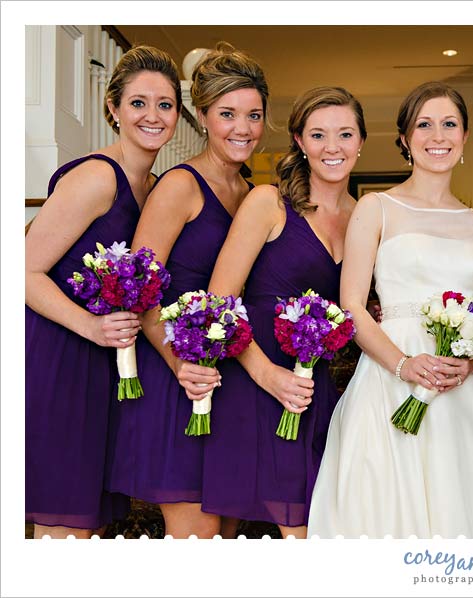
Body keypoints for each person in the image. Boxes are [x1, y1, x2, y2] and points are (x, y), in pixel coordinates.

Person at [307, 81, 473, 538]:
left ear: (465, 137)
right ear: (406, 139)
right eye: (424, 125)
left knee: (470, 511)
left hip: (464, 387)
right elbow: (351, 304)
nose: (438, 135)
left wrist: (468, 362)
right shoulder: (376, 208)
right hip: (388, 378)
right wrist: (405, 364)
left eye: (449, 124)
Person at [107, 42, 268, 539]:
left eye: (254, 115)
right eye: (227, 114)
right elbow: (138, 290)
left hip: (228, 383)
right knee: (194, 539)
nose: (242, 128)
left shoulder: (249, 192)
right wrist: (181, 362)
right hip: (177, 381)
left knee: (227, 536)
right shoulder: (180, 184)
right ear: (201, 116)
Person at [25, 46, 181, 539]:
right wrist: (90, 326)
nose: (152, 116)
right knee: (63, 521)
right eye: (138, 103)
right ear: (112, 109)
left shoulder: (156, 188)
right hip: (61, 355)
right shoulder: (95, 177)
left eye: (165, 104)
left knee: (88, 524)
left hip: (107, 360)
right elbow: (23, 270)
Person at [201, 87, 366, 539]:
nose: (332, 147)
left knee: (317, 525)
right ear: (299, 141)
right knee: (248, 528)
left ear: (361, 142)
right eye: (318, 135)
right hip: (254, 381)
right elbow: (218, 302)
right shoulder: (268, 203)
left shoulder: (366, 216)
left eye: (345, 134)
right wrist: (266, 374)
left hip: (314, 389)